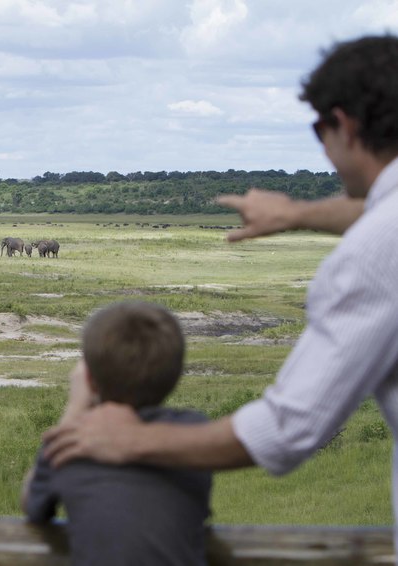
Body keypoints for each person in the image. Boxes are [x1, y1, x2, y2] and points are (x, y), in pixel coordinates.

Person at [42, 33, 398, 551]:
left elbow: (288, 428)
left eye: (318, 131)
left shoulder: (371, 255)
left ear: (343, 124)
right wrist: (296, 214)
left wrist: (136, 439)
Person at [22, 302, 211, 566]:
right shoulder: (195, 432)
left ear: (88, 380)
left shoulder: (73, 444)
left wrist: (74, 409)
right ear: (177, 376)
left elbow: (31, 504)